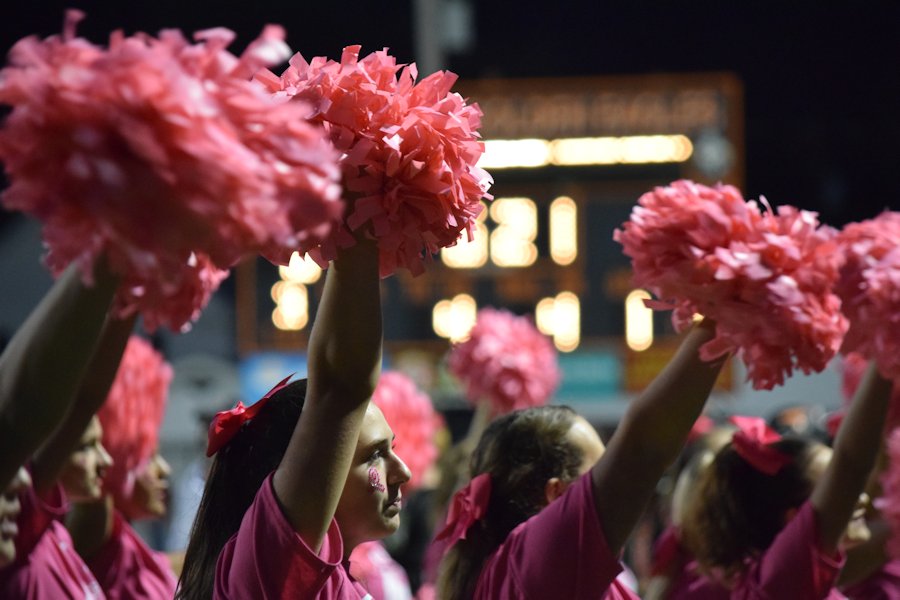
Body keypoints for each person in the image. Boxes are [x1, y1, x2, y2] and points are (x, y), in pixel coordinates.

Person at [178, 238, 412, 599]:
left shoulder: (333, 579)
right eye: (375, 455)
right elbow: (340, 387)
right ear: (307, 467)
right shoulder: (273, 570)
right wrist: (362, 225)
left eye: (390, 450)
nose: (403, 473)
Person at [435, 318, 728, 599]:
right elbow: (643, 448)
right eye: (597, 471)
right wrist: (724, 317)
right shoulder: (539, 560)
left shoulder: (515, 568)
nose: (609, 479)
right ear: (557, 494)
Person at [679, 362, 893, 599]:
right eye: (839, 492)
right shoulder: (780, 581)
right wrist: (883, 357)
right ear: (794, 519)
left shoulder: (793, 580)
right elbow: (851, 464)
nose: (860, 497)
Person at [0, 298, 135, 598]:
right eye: (84, 447)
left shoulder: (55, 535)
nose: (105, 460)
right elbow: (84, 400)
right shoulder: (23, 530)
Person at [66, 335, 178, 599]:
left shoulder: (129, 548)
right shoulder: (95, 526)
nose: (164, 470)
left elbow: (177, 563)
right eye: (148, 458)